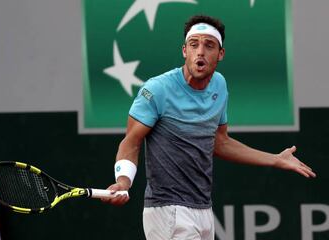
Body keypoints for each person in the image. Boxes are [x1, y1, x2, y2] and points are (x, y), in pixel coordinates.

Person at [103, 15, 316, 240]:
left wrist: (276, 159)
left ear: (220, 54)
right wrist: (123, 181)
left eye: (209, 45)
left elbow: (219, 141)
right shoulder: (157, 89)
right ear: (184, 51)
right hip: (169, 211)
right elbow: (131, 141)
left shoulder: (219, 85)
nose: (200, 52)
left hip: (203, 209)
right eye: (194, 45)